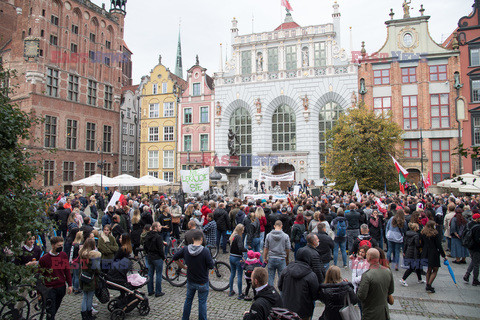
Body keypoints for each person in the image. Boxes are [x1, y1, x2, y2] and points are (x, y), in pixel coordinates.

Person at [172, 229, 214, 320]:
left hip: (191, 280)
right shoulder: (205, 251)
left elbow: (175, 257)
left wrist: (183, 266)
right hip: (202, 281)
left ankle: (185, 318)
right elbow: (211, 266)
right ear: (202, 239)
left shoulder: (186, 249)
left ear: (192, 238)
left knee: (188, 301)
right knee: (202, 303)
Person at [279, 247, 319, 320]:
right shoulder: (311, 275)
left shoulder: (285, 270)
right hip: (304, 310)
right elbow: (315, 294)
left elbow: (280, 287)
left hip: (287, 309)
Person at [39, 236, 73, 320]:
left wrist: (70, 284)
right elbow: (40, 276)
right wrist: (39, 292)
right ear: (53, 245)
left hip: (61, 286)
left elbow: (67, 270)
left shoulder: (63, 255)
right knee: (50, 311)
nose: (61, 247)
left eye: (62, 245)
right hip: (50, 288)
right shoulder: (44, 259)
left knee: (55, 308)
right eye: (59, 245)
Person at [357, 248, 394, 320]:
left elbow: (361, 296)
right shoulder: (387, 271)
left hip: (370, 314)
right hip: (384, 313)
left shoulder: (367, 275)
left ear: (369, 258)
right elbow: (390, 290)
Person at [421, 220, 447, 293]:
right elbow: (439, 245)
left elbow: (422, 243)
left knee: (429, 269)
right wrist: (443, 255)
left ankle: (427, 284)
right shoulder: (435, 234)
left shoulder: (423, 233)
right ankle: (429, 284)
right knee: (435, 269)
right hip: (434, 252)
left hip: (426, 252)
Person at [78, 238, 101, 320]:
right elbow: (97, 270)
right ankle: (88, 313)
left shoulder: (82, 254)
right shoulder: (93, 256)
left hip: (83, 277)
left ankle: (84, 314)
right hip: (91, 279)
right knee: (90, 297)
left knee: (85, 296)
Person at [264, 220, 290, 286]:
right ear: (281, 226)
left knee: (270, 277)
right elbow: (288, 249)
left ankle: (271, 294)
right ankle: (282, 295)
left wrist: (265, 258)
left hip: (271, 258)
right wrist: (287, 258)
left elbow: (266, 248)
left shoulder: (268, 235)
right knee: (282, 279)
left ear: (274, 226)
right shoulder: (285, 236)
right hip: (281, 258)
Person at [144, 222, 166, 297]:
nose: (161, 227)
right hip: (157, 257)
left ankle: (150, 290)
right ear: (155, 228)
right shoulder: (158, 237)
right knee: (158, 274)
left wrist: (148, 253)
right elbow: (160, 249)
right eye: (159, 226)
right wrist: (163, 257)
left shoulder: (148, 235)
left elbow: (145, 247)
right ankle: (158, 291)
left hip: (150, 256)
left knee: (150, 274)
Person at [229, 224, 248, 299]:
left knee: (232, 274)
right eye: (242, 230)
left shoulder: (233, 236)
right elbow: (240, 247)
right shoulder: (238, 237)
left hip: (231, 257)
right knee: (239, 275)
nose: (243, 231)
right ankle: (240, 293)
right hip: (237, 258)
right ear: (240, 230)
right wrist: (246, 250)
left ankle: (231, 290)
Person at [464, 213, 480, 286]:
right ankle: (475, 279)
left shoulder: (468, 224)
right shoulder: (477, 227)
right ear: (477, 219)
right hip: (476, 247)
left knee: (473, 260)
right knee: (476, 263)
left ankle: (467, 275)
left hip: (469, 245)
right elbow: (477, 239)